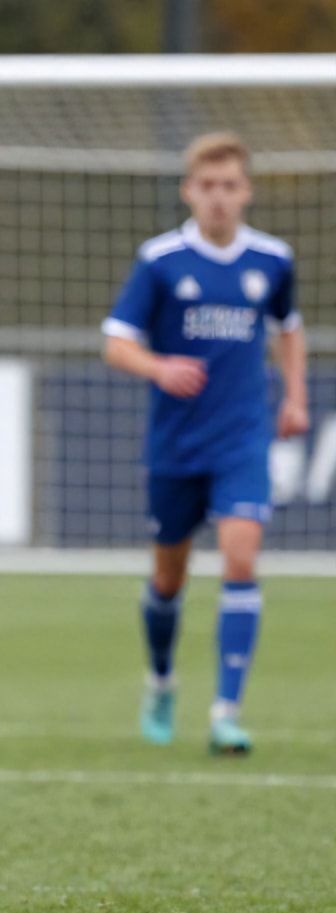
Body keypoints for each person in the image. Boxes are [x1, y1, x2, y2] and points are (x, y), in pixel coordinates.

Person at [102, 131, 308, 755]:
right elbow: (116, 342)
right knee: (169, 579)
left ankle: (226, 712)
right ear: (189, 191)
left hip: (242, 439)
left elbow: (289, 330)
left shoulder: (272, 260)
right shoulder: (161, 260)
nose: (219, 198)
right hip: (177, 446)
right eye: (207, 186)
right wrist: (159, 367)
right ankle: (162, 680)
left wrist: (296, 397)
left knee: (241, 557)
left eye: (230, 186)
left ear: (246, 192)